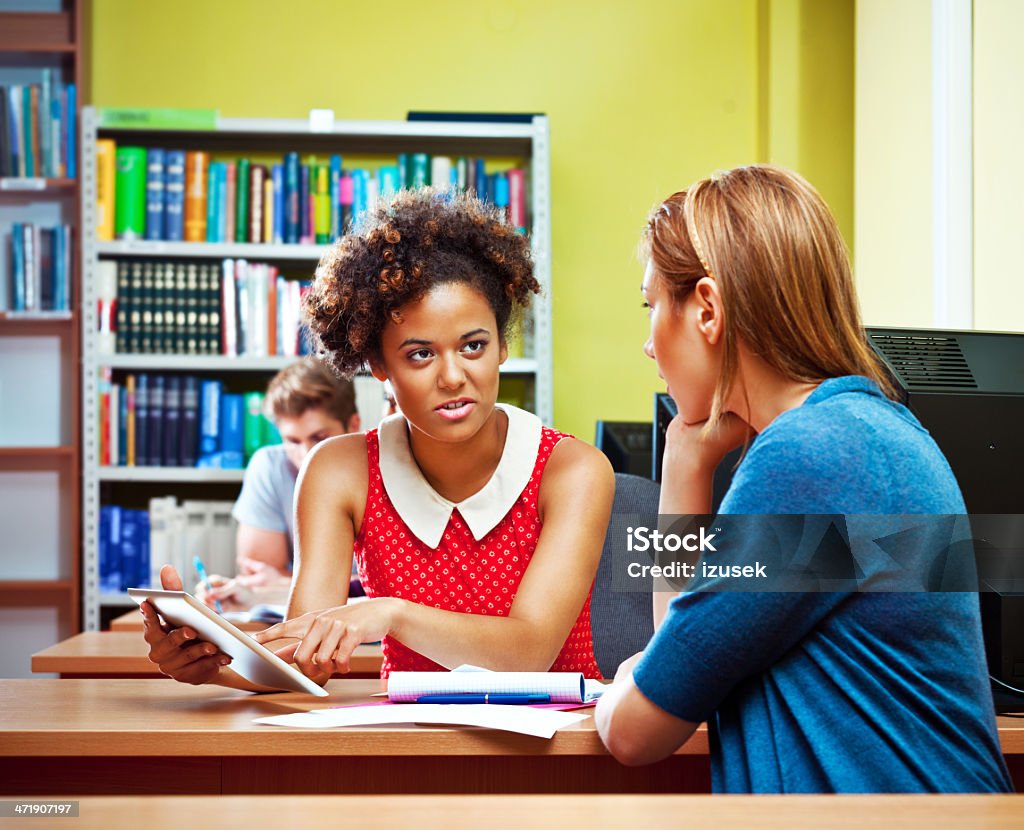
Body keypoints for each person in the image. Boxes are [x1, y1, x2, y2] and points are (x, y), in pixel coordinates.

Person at [594, 165, 1012, 793]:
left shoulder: (810, 458)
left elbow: (635, 730)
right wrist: (686, 461)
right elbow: (683, 661)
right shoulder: (865, 431)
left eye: (652, 305)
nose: (650, 345)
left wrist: (627, 682)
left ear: (706, 309)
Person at [141, 188, 614, 689]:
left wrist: (389, 614)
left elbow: (530, 652)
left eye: (474, 345)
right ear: (379, 366)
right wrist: (210, 663)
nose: (453, 376)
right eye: (419, 355)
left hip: (557, 747)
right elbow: (305, 660)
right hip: (404, 745)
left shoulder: (571, 469)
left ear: (501, 347)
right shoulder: (340, 470)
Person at [195, 357, 361, 613]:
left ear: (353, 425)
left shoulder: (388, 465)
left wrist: (284, 581)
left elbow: (396, 589)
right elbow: (259, 578)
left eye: (320, 438)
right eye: (293, 440)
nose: (306, 454)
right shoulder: (269, 466)